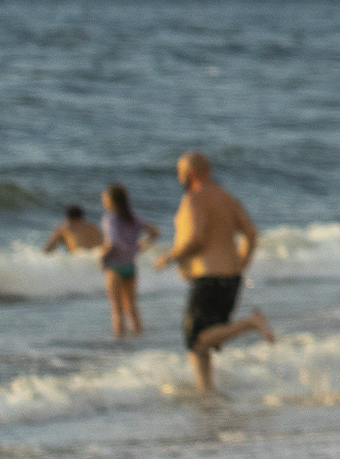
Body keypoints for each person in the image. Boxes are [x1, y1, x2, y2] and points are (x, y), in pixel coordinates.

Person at [152, 151, 273, 392]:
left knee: (197, 340)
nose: (179, 178)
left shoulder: (194, 199)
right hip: (231, 277)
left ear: (191, 172)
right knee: (206, 342)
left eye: (180, 172)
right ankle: (206, 390)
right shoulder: (227, 198)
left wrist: (171, 257)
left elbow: (196, 239)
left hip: (210, 279)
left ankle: (251, 322)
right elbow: (251, 233)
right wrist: (241, 262)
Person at [98, 184, 158, 338]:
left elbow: (111, 243)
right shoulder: (133, 217)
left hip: (114, 266)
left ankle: (120, 345)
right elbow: (154, 232)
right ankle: (138, 338)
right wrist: (139, 247)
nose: (103, 201)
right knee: (132, 308)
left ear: (111, 201)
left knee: (116, 310)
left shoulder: (110, 219)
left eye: (104, 198)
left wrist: (101, 258)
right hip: (130, 266)